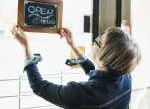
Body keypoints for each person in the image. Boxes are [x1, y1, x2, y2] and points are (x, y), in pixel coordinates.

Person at [11, 22, 141, 109]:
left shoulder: (79, 94)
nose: (94, 42)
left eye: (98, 41)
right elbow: (100, 73)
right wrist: (72, 45)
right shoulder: (125, 76)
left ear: (104, 56)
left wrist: (25, 46)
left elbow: (39, 86)